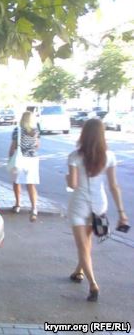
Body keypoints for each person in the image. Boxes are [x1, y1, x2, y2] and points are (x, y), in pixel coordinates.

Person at [65, 119, 128, 302]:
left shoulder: (74, 156)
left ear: (83, 134)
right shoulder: (109, 156)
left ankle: (93, 284)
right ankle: (78, 271)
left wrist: (68, 177)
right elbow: (114, 185)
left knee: (82, 245)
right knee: (87, 241)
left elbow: (73, 184)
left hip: (79, 205)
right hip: (99, 205)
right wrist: (121, 212)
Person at [9, 111, 40, 221]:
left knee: (17, 182)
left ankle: (18, 205)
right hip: (32, 159)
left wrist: (10, 158)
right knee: (30, 184)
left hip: (20, 159)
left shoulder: (17, 130)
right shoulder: (35, 131)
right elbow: (37, 145)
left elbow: (13, 146)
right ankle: (34, 208)